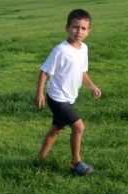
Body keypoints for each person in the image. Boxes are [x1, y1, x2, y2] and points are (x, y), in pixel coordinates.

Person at [33, 9, 102, 176]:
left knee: (56, 129)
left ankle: (39, 160)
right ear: (67, 28)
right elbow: (44, 71)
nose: (79, 31)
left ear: (89, 31)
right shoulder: (60, 50)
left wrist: (91, 86)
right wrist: (39, 93)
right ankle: (76, 161)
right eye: (75, 27)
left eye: (83, 28)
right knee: (79, 126)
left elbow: (82, 71)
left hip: (69, 97)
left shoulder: (83, 48)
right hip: (57, 97)